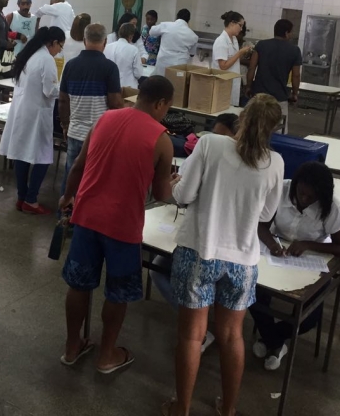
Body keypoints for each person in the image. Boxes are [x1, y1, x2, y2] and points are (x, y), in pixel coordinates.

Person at [164, 94, 284, 416]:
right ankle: (228, 409)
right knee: (232, 337)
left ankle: (181, 408)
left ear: (241, 118)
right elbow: (265, 215)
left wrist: (174, 184)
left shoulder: (210, 144)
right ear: (274, 128)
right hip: (241, 261)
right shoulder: (275, 163)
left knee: (192, 336)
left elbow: (184, 195)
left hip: (199, 252)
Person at [60, 76, 175, 374]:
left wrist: (67, 196)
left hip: (86, 215)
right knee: (117, 292)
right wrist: (174, 183)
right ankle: (107, 355)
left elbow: (78, 166)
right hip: (123, 225)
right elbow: (162, 194)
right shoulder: (162, 139)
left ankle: (72, 347)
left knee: (78, 285)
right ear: (161, 104)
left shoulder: (105, 119)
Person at [148, 111, 241, 355]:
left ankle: (203, 326)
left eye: (224, 137)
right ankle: (198, 325)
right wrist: (175, 185)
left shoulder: (245, 166)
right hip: (195, 234)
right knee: (157, 268)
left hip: (225, 246)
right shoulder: (201, 155)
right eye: (214, 136)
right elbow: (180, 197)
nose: (217, 142)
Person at [251, 162, 340, 371]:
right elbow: (261, 226)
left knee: (309, 318)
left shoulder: (333, 209)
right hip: (277, 252)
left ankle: (271, 339)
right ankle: (275, 344)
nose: (304, 199)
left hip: (312, 260)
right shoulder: (281, 190)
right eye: (301, 193)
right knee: (252, 291)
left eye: (310, 197)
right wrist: (273, 245)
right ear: (295, 184)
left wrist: (308, 245)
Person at [0, 26, 66, 215]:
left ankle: (22, 197)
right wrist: (64, 89)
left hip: (22, 111)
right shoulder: (46, 59)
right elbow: (49, 91)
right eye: (60, 46)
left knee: (22, 154)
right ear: (53, 42)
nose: (59, 50)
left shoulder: (29, 55)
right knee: (43, 157)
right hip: (37, 114)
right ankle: (31, 200)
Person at [59, 23, 123, 194]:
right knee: (94, 178)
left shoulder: (70, 65)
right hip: (99, 134)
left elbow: (63, 100)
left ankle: (66, 207)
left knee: (71, 174)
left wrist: (65, 125)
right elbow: (115, 103)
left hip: (75, 131)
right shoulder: (110, 68)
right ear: (105, 41)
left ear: (84, 40)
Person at [246, 19, 302, 134]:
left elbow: (252, 68)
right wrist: (295, 94)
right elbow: (296, 75)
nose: (291, 35)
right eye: (291, 32)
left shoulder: (261, 45)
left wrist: (248, 86)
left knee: (255, 128)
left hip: (259, 96)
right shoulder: (294, 50)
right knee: (279, 131)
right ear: (286, 33)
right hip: (279, 98)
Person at [212, 11, 253, 108]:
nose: (241, 29)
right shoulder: (221, 41)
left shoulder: (233, 39)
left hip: (232, 83)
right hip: (223, 84)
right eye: (240, 25)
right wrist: (240, 52)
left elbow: (233, 60)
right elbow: (223, 66)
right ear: (232, 23)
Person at [150, 9, 199, 79]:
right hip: (179, 66)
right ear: (188, 20)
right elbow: (192, 54)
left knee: (160, 82)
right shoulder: (194, 36)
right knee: (176, 83)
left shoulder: (166, 25)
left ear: (177, 16)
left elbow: (151, 32)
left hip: (163, 62)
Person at [104, 23, 143, 90]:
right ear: (131, 36)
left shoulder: (107, 47)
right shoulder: (134, 50)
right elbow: (138, 74)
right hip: (128, 87)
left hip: (109, 86)